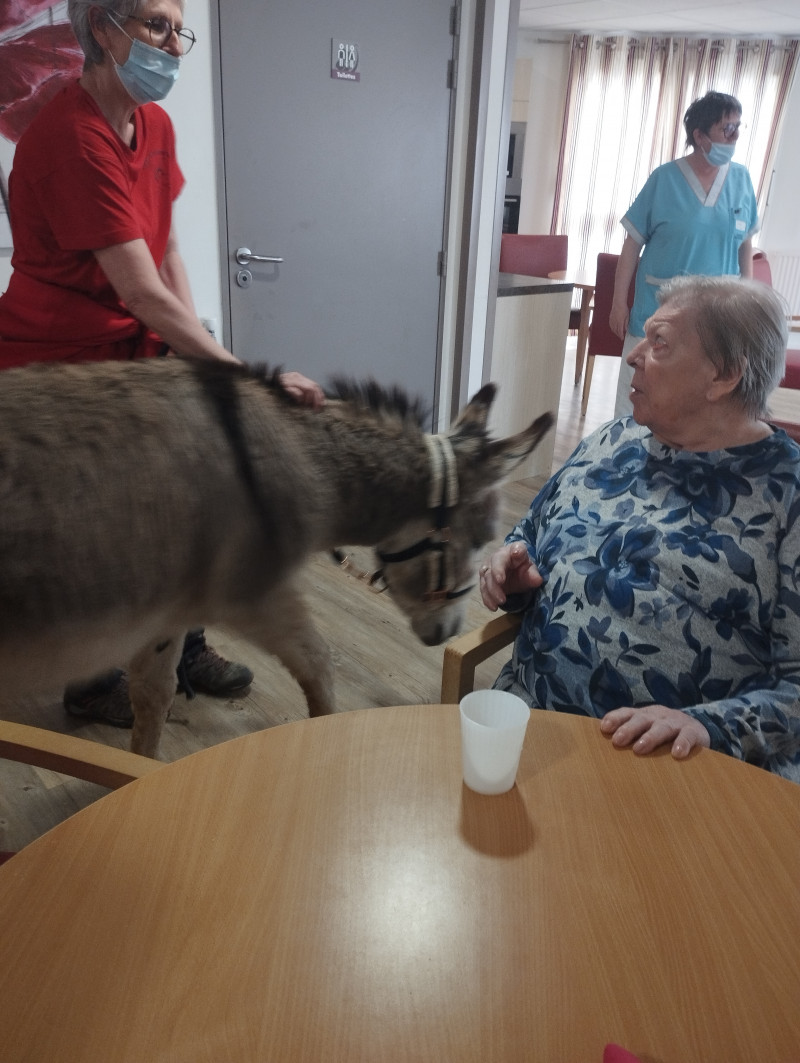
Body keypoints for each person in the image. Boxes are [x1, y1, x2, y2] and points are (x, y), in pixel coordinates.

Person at [0, 0, 324, 725]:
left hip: (133, 345)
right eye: (155, 25)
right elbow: (139, 290)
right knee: (107, 526)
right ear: (102, 27)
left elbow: (166, 250)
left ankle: (184, 644)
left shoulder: (156, 126)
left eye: (181, 29)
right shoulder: (69, 137)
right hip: (62, 362)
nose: (174, 45)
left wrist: (197, 355)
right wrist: (243, 372)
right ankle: (90, 681)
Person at [479, 275, 800, 784]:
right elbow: (530, 533)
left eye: (660, 342)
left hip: (677, 774)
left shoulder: (788, 499)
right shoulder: (612, 440)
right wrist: (513, 569)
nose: (633, 354)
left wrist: (703, 725)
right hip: (533, 727)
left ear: (725, 376)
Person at [610, 90, 759, 418]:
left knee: (699, 400)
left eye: (738, 128)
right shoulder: (664, 179)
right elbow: (632, 242)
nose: (734, 137)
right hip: (656, 309)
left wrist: (748, 303)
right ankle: (624, 458)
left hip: (715, 318)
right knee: (638, 394)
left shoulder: (741, 180)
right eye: (726, 129)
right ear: (700, 136)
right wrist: (619, 302)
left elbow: (745, 244)